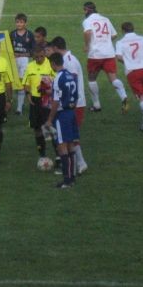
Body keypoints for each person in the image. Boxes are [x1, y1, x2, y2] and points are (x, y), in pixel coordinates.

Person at [49, 36, 88, 174]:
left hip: (73, 104)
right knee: (69, 136)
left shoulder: (69, 62)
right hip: (74, 103)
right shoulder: (70, 59)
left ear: (56, 48)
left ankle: (78, 164)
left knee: (68, 137)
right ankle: (78, 164)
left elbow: (70, 84)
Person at [82, 1, 128, 113]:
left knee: (92, 79)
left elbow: (87, 33)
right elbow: (114, 34)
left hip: (95, 54)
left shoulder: (87, 21)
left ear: (87, 10)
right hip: (109, 53)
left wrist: (87, 45)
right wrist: (106, 41)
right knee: (113, 78)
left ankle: (97, 105)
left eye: (84, 10)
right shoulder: (105, 19)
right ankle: (124, 97)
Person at [115, 22, 143, 134]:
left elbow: (118, 57)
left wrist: (127, 63)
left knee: (141, 97)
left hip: (133, 72)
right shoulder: (141, 38)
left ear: (123, 30)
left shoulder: (120, 42)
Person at [42, 53, 79, 189]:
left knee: (62, 146)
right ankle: (72, 177)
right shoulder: (71, 76)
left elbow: (56, 101)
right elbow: (76, 96)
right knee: (70, 145)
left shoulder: (58, 78)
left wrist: (50, 120)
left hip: (62, 115)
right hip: (71, 112)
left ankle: (67, 180)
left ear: (52, 64)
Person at [22, 46, 54, 161]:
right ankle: (42, 154)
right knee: (37, 128)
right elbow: (26, 82)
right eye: (36, 57)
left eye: (41, 56)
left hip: (47, 99)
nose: (39, 59)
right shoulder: (30, 67)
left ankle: (59, 155)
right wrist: (28, 94)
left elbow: (55, 81)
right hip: (35, 101)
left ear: (44, 54)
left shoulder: (50, 65)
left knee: (51, 127)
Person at [10, 13, 35, 115]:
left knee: (21, 83)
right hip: (14, 60)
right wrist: (13, 54)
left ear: (25, 23)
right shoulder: (12, 34)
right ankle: (19, 101)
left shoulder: (30, 35)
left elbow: (33, 51)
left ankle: (19, 108)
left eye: (21, 22)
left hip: (24, 60)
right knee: (14, 82)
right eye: (17, 22)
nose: (19, 24)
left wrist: (22, 54)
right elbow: (9, 48)